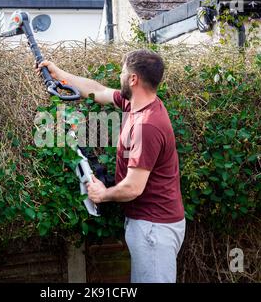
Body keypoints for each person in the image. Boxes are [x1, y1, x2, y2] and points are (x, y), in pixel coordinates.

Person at [36, 49, 185, 283]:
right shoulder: (137, 104)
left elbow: (133, 188)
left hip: (155, 230)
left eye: (123, 71)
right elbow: (99, 91)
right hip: (151, 226)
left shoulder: (148, 126)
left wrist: (103, 195)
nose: (120, 75)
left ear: (133, 79)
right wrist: (59, 74)